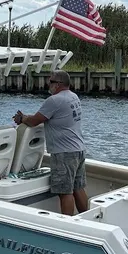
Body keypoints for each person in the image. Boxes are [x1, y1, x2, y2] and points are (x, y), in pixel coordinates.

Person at [12, 70, 89, 215]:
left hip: (63, 153)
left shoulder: (54, 100)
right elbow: (47, 117)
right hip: (78, 149)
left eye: (51, 82)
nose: (49, 84)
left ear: (59, 84)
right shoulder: (73, 97)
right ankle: (88, 219)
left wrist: (22, 119)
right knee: (78, 187)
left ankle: (66, 225)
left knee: (65, 192)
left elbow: (35, 121)